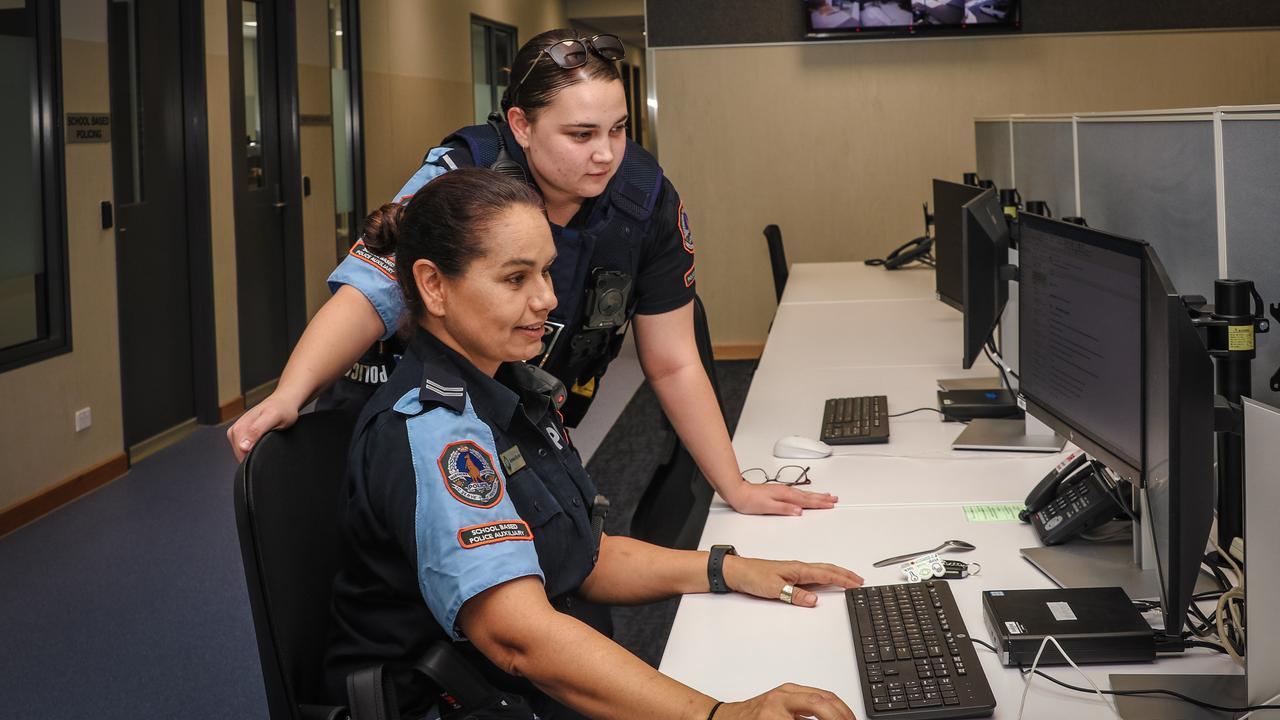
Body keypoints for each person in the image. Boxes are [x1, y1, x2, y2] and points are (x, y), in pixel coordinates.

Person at [226, 28, 836, 517]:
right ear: (521, 125)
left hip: (530, 424)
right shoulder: (466, 174)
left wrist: (734, 485)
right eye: (580, 134)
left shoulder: (646, 201)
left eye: (619, 129)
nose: (606, 154)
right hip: (417, 420)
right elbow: (369, 295)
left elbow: (673, 359)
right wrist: (290, 393)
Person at [326, 167, 864, 720]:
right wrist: (721, 716)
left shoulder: (507, 384)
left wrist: (727, 568)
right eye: (516, 279)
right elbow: (521, 639)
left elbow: (579, 554)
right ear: (434, 285)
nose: (547, 300)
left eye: (547, 273)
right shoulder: (436, 430)